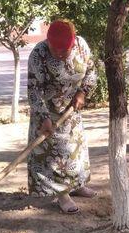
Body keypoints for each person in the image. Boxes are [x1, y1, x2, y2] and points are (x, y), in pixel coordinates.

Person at [27, 19, 97, 213]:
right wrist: (43, 117)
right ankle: (62, 194)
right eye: (54, 49)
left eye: (63, 50)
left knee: (74, 150)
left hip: (71, 110)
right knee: (54, 156)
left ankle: (77, 186)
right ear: (48, 41)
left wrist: (83, 92)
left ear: (73, 43)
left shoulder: (81, 46)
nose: (58, 53)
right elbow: (34, 90)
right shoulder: (38, 54)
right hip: (47, 112)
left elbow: (91, 71)